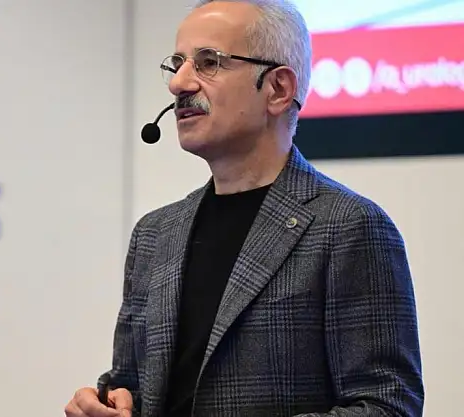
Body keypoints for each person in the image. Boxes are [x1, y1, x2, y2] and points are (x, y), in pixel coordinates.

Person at [64, 0, 425, 416]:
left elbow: (387, 406)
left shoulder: (349, 227)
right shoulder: (154, 234)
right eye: (177, 64)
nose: (178, 84)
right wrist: (106, 403)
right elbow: (131, 385)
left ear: (278, 89)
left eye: (208, 62)